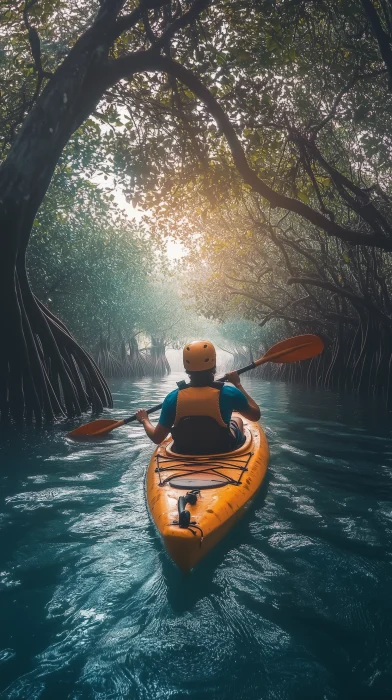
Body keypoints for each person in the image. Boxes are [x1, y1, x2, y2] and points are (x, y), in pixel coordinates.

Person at [136, 340, 261, 455]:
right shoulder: (230, 393)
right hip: (222, 448)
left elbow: (157, 438)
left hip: (183, 451)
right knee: (237, 421)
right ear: (214, 366)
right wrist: (238, 384)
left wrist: (144, 419)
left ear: (187, 369)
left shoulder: (172, 398)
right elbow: (255, 415)